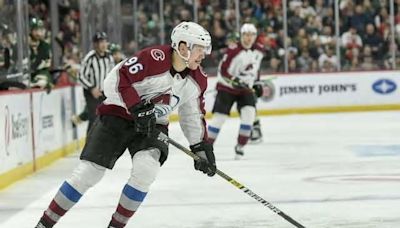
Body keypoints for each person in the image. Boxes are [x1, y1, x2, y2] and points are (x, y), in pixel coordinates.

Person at [35, 21, 216, 228]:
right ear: (183, 47)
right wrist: (136, 107)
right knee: (88, 173)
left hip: (151, 126)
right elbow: (117, 79)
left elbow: (192, 114)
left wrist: (200, 146)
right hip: (117, 115)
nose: (204, 55)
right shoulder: (153, 58)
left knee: (146, 171)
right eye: (200, 49)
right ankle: (44, 224)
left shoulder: (198, 79)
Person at [207, 23, 264, 159]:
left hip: (245, 90)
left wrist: (257, 83)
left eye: (251, 35)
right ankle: (206, 148)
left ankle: (240, 146)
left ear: (255, 36)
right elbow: (223, 70)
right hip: (227, 88)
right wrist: (234, 80)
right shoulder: (233, 50)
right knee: (219, 118)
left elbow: (255, 70)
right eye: (246, 35)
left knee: (249, 115)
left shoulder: (259, 51)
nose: (248, 38)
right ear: (241, 35)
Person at [74, 32, 114, 132]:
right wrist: (92, 88)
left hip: (104, 92)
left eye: (105, 41)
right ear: (95, 44)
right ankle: (90, 145)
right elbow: (81, 76)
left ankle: (102, 143)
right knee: (94, 117)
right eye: (101, 42)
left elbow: (112, 74)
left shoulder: (109, 57)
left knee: (106, 118)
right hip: (91, 92)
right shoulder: (90, 58)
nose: (104, 44)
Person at [29, 18, 53, 92]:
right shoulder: (22, 45)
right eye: (36, 30)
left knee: (42, 82)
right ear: (31, 30)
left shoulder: (45, 46)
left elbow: (44, 64)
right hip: (25, 75)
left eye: (40, 30)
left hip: (41, 73)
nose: (39, 33)